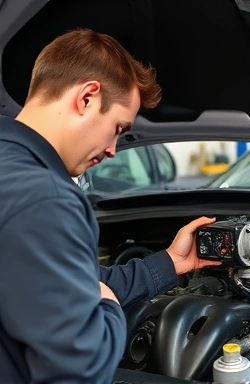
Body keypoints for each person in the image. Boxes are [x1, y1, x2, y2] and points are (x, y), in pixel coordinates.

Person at [0, 29, 220, 383]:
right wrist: (108, 309)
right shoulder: (46, 199)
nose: (113, 150)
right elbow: (80, 369)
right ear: (87, 97)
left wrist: (170, 263)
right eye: (118, 127)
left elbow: (63, 286)